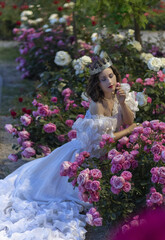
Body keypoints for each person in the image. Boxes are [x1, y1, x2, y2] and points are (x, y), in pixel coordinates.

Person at [0, 56, 139, 240]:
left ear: (116, 75)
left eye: (111, 76)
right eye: (103, 79)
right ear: (97, 84)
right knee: (51, 189)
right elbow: (104, 140)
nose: (109, 82)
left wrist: (122, 102)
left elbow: (129, 120)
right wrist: (129, 131)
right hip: (87, 153)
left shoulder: (120, 94)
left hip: (105, 154)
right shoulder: (97, 105)